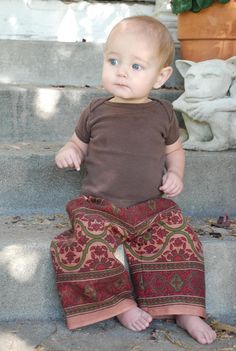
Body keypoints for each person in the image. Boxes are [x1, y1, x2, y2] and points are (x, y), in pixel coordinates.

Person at [50, 15, 216, 345]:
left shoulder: (163, 113)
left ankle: (184, 309)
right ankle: (120, 304)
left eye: (136, 66)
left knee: (181, 239)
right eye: (113, 61)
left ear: (162, 76)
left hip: (151, 208)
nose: (122, 71)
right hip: (100, 208)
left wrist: (176, 174)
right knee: (75, 246)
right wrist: (68, 153)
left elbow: (175, 152)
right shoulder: (95, 110)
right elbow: (76, 144)